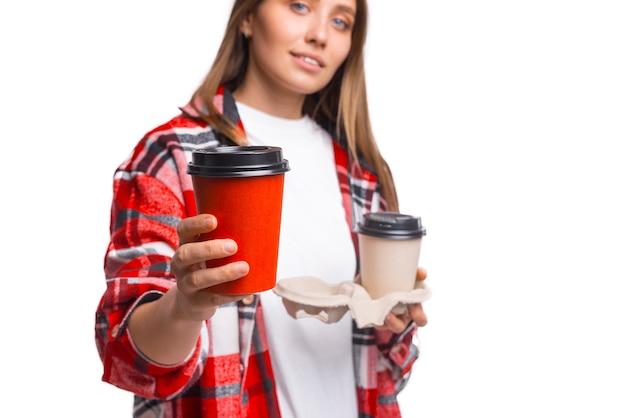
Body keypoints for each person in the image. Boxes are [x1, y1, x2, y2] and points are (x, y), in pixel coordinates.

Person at [95, 0, 429, 417]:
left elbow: (387, 373)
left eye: (341, 21)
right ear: (248, 16)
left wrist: (389, 318)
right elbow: (129, 358)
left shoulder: (361, 174)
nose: (320, 34)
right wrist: (182, 308)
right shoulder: (173, 156)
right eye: (300, 5)